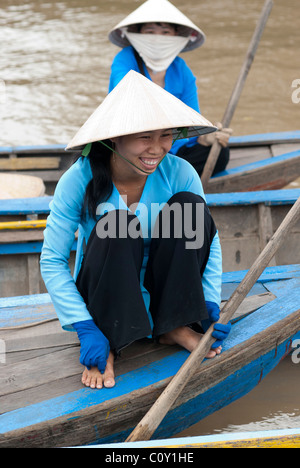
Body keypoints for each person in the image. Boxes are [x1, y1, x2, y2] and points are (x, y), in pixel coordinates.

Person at [40, 71, 231, 390]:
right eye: (145, 137)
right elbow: (52, 260)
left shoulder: (180, 172)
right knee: (118, 223)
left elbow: (208, 243)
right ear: (115, 137)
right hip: (106, 293)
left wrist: (209, 302)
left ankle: (175, 325)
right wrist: (84, 325)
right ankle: (110, 339)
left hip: (168, 288)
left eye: (166, 136)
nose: (157, 149)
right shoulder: (78, 179)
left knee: (189, 206)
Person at [108, 0, 232, 178]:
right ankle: (162, 176)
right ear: (137, 34)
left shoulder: (181, 69)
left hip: (170, 147)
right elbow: (127, 100)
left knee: (220, 153)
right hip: (135, 146)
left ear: (177, 35)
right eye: (150, 32)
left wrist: (206, 138)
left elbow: (191, 120)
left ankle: (165, 175)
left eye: (166, 32)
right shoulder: (125, 60)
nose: (158, 38)